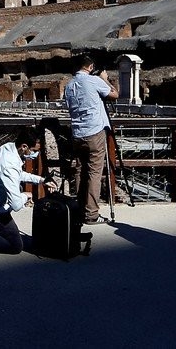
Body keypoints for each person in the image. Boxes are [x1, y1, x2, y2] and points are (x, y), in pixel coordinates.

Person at [63, 54, 118, 226]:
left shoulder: (69, 85)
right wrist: (106, 79)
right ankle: (91, 214)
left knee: (80, 170)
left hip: (77, 133)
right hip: (95, 132)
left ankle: (80, 211)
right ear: (91, 66)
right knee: (94, 173)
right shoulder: (93, 81)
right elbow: (115, 94)